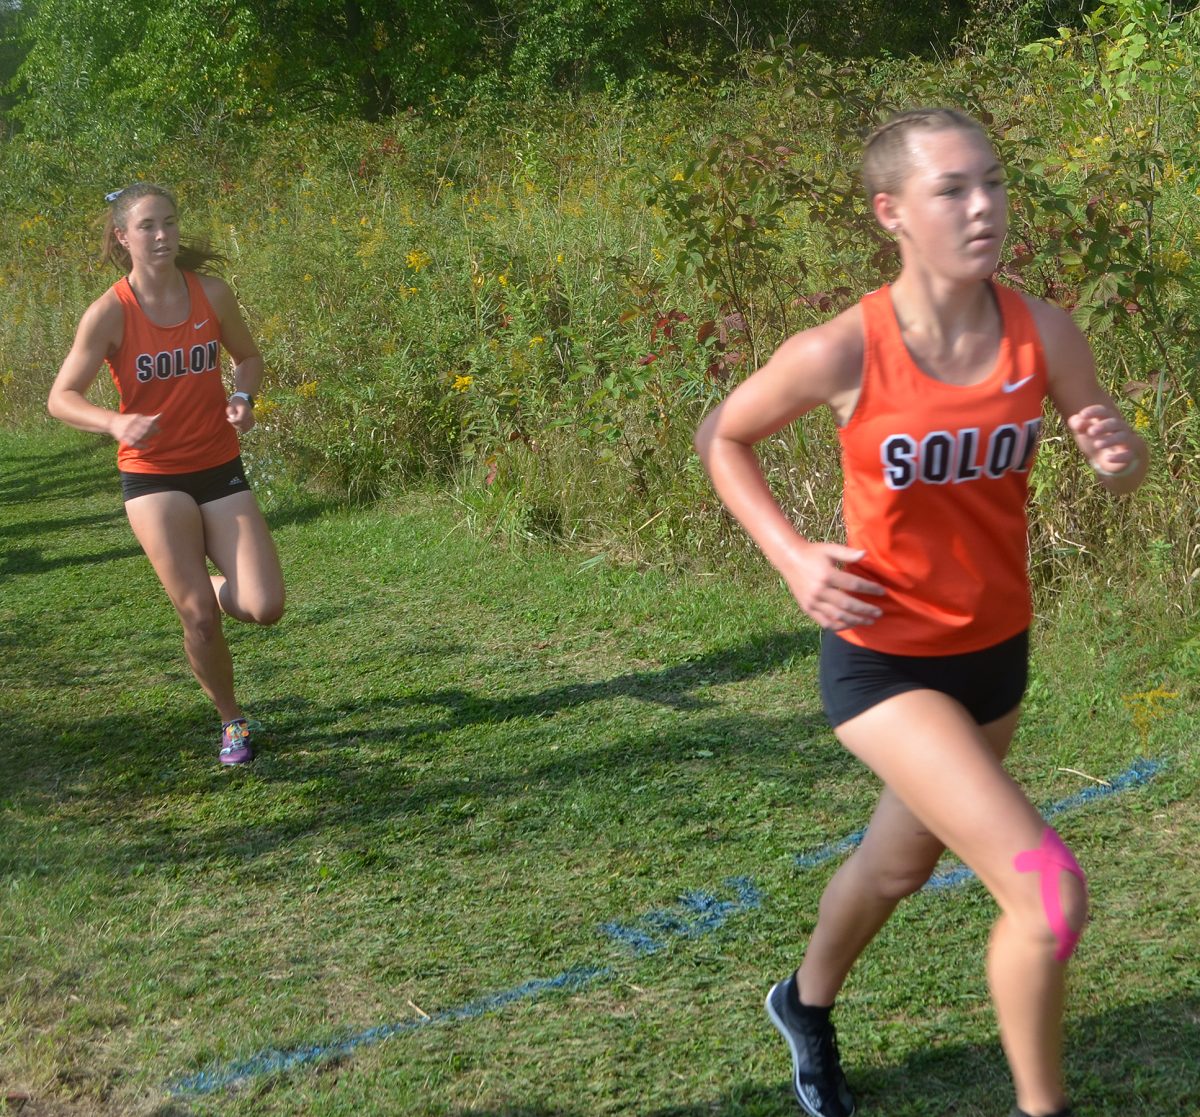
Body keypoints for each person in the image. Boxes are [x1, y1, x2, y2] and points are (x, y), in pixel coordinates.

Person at [694, 108, 1147, 1117]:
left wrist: (1117, 451)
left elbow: (1114, 450)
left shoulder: (1043, 331)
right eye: (954, 189)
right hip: (884, 667)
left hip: (995, 661)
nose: (984, 206)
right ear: (892, 212)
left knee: (897, 864)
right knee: (1047, 894)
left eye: (992, 181)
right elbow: (721, 436)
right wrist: (791, 554)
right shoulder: (844, 348)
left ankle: (802, 1004)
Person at [48, 183, 285, 766]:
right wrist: (114, 422)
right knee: (200, 618)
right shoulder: (109, 312)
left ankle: (207, 586)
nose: (162, 236)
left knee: (265, 606)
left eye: (170, 224)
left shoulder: (212, 294)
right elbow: (61, 397)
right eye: (148, 226)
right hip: (152, 476)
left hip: (218, 465)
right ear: (122, 237)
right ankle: (231, 720)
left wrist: (242, 397)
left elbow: (248, 359)